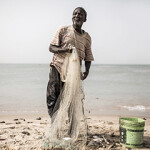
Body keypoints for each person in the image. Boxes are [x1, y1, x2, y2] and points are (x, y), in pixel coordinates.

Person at [46, 7, 94, 119]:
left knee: (70, 99)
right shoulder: (63, 30)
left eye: (80, 14)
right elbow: (51, 47)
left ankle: (70, 127)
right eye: (75, 13)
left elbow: (88, 57)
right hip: (57, 67)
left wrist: (86, 71)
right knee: (53, 96)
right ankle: (54, 123)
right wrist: (65, 50)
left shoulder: (87, 37)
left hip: (73, 73)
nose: (77, 15)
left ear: (85, 19)